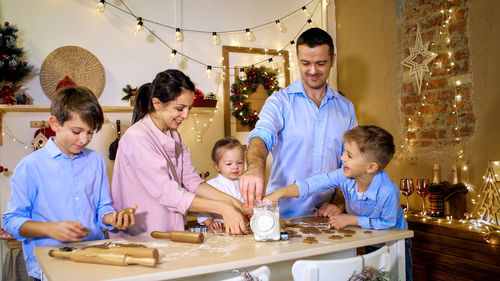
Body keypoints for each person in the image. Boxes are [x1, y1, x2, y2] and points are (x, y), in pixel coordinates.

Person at [2, 87, 136, 280]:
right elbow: (11, 221)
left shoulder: (95, 161)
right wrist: (50, 229)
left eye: (90, 133)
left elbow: (102, 207)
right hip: (50, 265)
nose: (84, 139)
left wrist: (112, 219)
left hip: (93, 258)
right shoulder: (31, 166)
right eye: (76, 131)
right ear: (54, 123)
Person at [110, 69, 248, 237]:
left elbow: (191, 180)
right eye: (180, 108)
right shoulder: (137, 137)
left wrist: (235, 203)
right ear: (157, 103)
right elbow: (167, 193)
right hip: (143, 233)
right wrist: (222, 208)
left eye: (189, 108)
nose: (186, 115)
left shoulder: (174, 135)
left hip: (170, 229)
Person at [264, 125, 412, 281]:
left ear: (371, 167)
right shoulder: (344, 176)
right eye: (344, 153)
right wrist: (277, 194)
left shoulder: (387, 191)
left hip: (395, 242)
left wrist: (351, 219)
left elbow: (387, 223)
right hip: (373, 237)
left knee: (397, 276)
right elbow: (312, 184)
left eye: (349, 155)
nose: (342, 158)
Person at [239, 27, 357, 217]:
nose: (313, 70)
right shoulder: (280, 101)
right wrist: (254, 167)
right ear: (297, 61)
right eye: (305, 63)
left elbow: (354, 162)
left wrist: (339, 203)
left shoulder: (346, 108)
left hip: (330, 220)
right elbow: (261, 136)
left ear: (332, 60)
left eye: (320, 63)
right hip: (283, 218)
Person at [197, 137, 245, 230]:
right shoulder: (211, 186)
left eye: (239, 162)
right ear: (217, 166)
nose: (235, 167)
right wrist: (211, 223)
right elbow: (203, 211)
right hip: (220, 232)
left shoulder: (245, 184)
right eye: (229, 164)